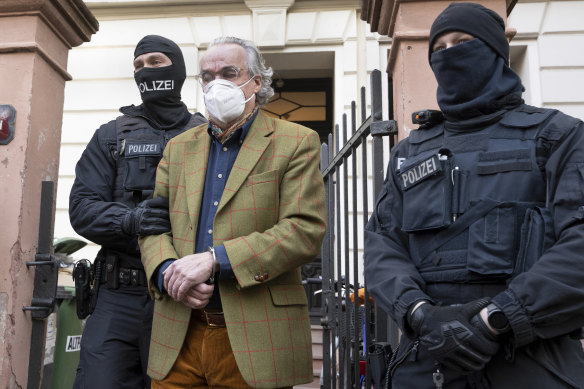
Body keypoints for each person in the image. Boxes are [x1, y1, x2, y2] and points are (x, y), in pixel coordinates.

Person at [364, 3, 584, 388]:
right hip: (428, 356)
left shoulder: (560, 136)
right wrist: (419, 314)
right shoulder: (409, 153)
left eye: (463, 41)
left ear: (497, 52)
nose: (450, 53)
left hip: (530, 358)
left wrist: (498, 319)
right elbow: (383, 247)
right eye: (439, 48)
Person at [138, 36, 326, 389]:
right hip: (179, 333)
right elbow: (153, 223)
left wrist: (216, 260)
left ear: (256, 81)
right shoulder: (178, 149)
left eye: (229, 72)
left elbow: (305, 230)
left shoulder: (296, 141)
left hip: (254, 336)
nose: (217, 84)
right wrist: (167, 272)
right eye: (208, 77)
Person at [69, 35, 207, 389]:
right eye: (138, 66)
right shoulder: (111, 136)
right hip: (120, 294)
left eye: (156, 62)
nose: (145, 71)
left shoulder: (208, 135)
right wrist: (129, 220)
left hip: (185, 295)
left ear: (177, 69)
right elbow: (82, 208)